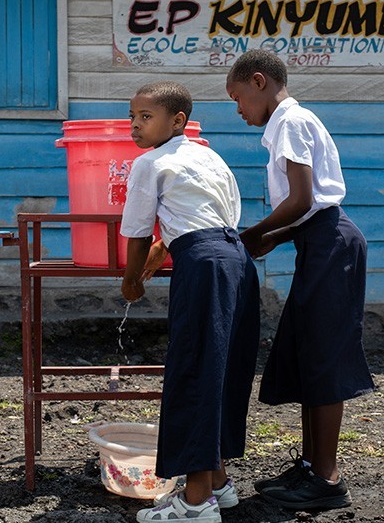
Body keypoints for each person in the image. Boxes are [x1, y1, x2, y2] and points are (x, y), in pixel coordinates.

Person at [225, 49, 376, 510]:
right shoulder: (289, 123)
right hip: (319, 238)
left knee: (325, 356)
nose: (238, 110)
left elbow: (303, 197)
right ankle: (311, 467)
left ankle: (326, 481)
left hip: (331, 242)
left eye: (237, 99)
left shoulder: (290, 122)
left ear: (258, 82)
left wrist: (250, 234)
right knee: (311, 352)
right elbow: (307, 210)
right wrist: (281, 237)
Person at [119, 81, 260, 523]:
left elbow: (138, 231)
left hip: (203, 265)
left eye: (146, 117)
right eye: (133, 118)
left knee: (196, 370)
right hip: (236, 260)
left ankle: (196, 503)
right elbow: (212, 215)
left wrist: (130, 281)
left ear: (177, 120)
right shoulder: (208, 155)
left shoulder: (148, 163)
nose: (136, 126)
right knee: (220, 370)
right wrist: (171, 244)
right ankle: (218, 481)